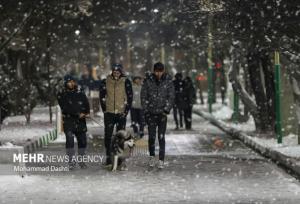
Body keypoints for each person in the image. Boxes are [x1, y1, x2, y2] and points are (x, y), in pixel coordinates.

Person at [141, 62, 175, 169]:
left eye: (160, 71)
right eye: (156, 71)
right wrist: (146, 109)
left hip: (162, 114)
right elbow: (143, 96)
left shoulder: (168, 81)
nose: (158, 74)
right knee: (151, 137)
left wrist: (166, 110)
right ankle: (151, 156)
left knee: (161, 137)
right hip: (151, 114)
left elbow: (171, 96)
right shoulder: (148, 81)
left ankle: (161, 159)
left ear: (163, 71)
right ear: (154, 71)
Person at [99, 63, 133, 166]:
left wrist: (126, 111)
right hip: (109, 113)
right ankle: (109, 158)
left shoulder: (126, 81)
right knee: (108, 136)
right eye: (114, 71)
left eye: (118, 71)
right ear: (112, 72)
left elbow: (130, 97)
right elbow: (102, 96)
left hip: (121, 113)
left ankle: (119, 159)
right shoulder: (106, 81)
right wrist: (104, 109)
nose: (116, 73)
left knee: (120, 137)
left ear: (121, 72)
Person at [57, 75, 90, 170]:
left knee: (83, 142)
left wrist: (86, 112)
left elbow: (86, 104)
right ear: (66, 83)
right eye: (69, 82)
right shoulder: (62, 94)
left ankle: (82, 161)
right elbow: (65, 107)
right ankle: (71, 162)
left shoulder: (80, 92)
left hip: (81, 121)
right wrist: (77, 113)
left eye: (73, 81)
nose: (71, 83)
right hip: (69, 121)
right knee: (70, 141)